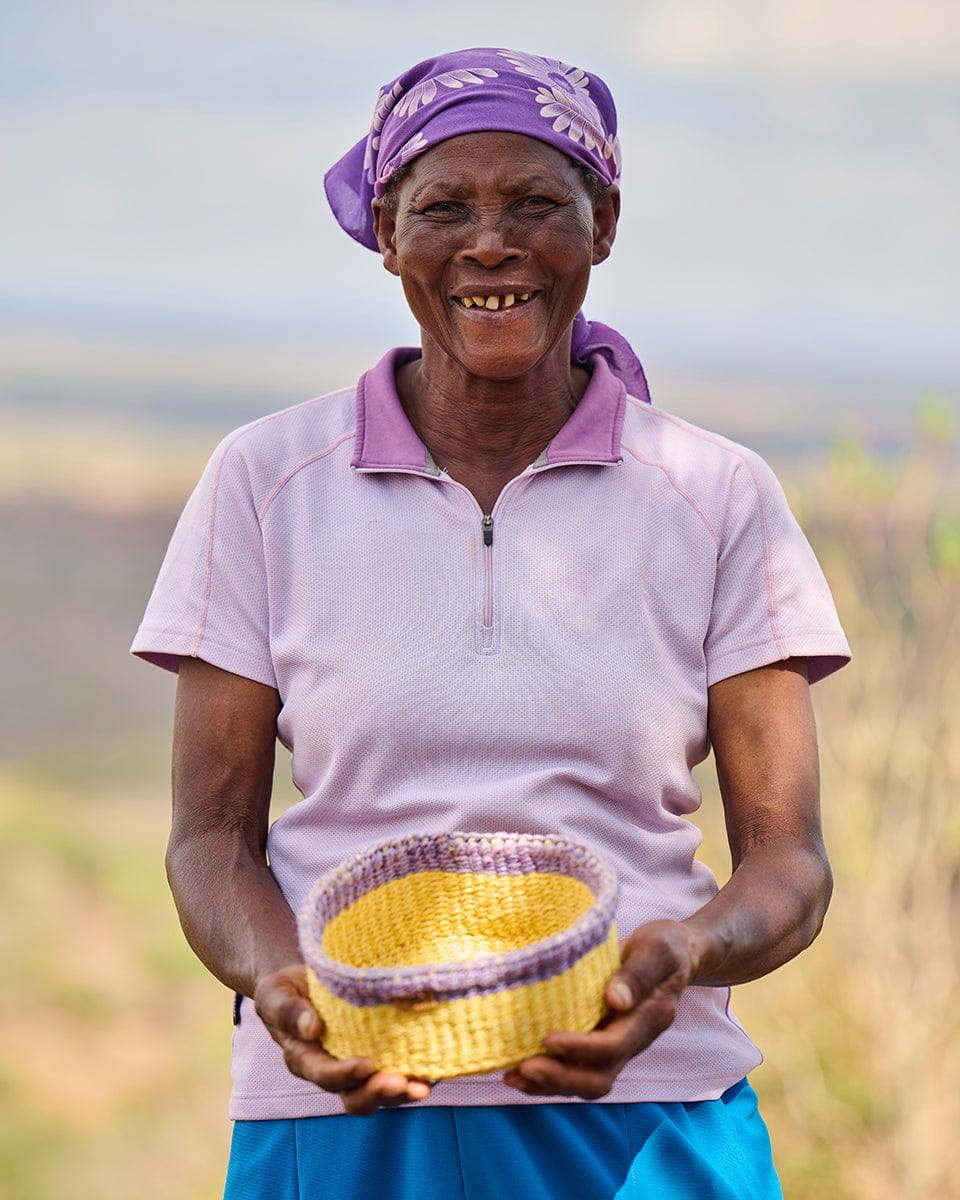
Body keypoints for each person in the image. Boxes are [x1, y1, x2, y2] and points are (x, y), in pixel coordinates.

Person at [132, 48, 850, 1200]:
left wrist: (684, 959)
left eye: (535, 204)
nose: (490, 244)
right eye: (443, 208)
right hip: (343, 1110)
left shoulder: (715, 494)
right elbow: (210, 838)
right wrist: (282, 984)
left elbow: (791, 861)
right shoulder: (266, 481)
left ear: (602, 223)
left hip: (647, 1115)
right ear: (384, 232)